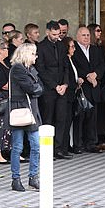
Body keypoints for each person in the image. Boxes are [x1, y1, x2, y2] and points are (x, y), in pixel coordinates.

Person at [9, 43, 43, 192]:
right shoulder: (17, 68)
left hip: (31, 110)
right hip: (19, 109)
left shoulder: (31, 69)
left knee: (36, 145)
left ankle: (33, 177)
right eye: (33, 53)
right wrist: (36, 89)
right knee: (17, 146)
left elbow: (40, 87)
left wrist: (36, 89)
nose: (36, 57)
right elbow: (30, 87)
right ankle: (15, 178)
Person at [35, 21, 69, 154]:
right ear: (47, 32)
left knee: (61, 118)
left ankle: (58, 149)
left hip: (62, 88)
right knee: (47, 119)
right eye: (54, 34)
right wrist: (55, 86)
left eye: (58, 34)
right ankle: (46, 150)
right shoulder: (41, 47)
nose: (56, 36)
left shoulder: (61, 45)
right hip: (49, 89)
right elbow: (41, 70)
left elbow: (66, 66)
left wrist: (65, 84)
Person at [71, 27, 105, 154]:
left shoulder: (95, 49)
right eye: (83, 35)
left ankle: (91, 143)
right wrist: (88, 76)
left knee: (92, 117)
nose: (86, 37)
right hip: (83, 88)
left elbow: (102, 64)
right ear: (78, 36)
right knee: (80, 118)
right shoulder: (74, 48)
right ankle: (78, 144)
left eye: (88, 35)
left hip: (94, 87)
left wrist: (96, 74)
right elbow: (74, 65)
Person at [62, 37, 83, 156]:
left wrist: (78, 80)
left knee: (69, 120)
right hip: (68, 95)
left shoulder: (72, 60)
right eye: (72, 46)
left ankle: (67, 146)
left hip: (73, 94)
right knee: (65, 121)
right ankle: (63, 147)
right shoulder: (65, 60)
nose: (74, 49)